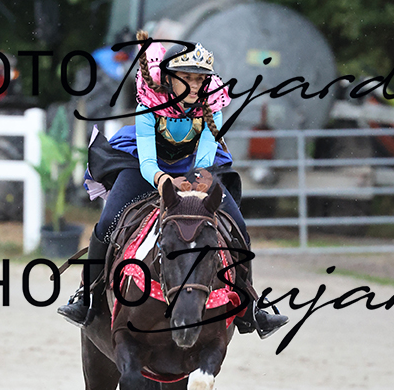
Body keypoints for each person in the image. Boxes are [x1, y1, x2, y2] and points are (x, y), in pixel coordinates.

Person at [58, 32, 287, 338]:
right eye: (187, 79)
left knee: (238, 228)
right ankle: (86, 296)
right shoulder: (148, 104)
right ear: (168, 79)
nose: (195, 86)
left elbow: (204, 158)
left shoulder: (212, 104)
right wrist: (163, 180)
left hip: (194, 168)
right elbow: (148, 161)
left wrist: (195, 180)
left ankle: (251, 308)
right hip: (144, 166)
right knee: (107, 222)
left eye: (200, 79)